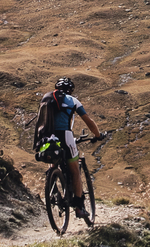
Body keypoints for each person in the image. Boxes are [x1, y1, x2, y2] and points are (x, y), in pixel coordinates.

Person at [35, 76, 103, 218]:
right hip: (65, 136)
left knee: (53, 159)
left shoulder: (47, 98)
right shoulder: (73, 100)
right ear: (70, 90)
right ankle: (79, 208)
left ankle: (53, 184)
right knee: (75, 171)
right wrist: (98, 135)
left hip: (47, 136)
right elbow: (89, 122)